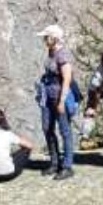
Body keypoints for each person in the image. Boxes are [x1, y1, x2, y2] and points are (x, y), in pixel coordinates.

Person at [39, 25, 77, 179]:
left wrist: (61, 101)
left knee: (65, 131)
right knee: (47, 128)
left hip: (59, 96)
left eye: (46, 37)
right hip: (48, 96)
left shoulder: (63, 54)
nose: (44, 39)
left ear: (53, 38)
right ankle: (55, 163)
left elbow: (67, 79)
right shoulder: (51, 52)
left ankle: (67, 166)